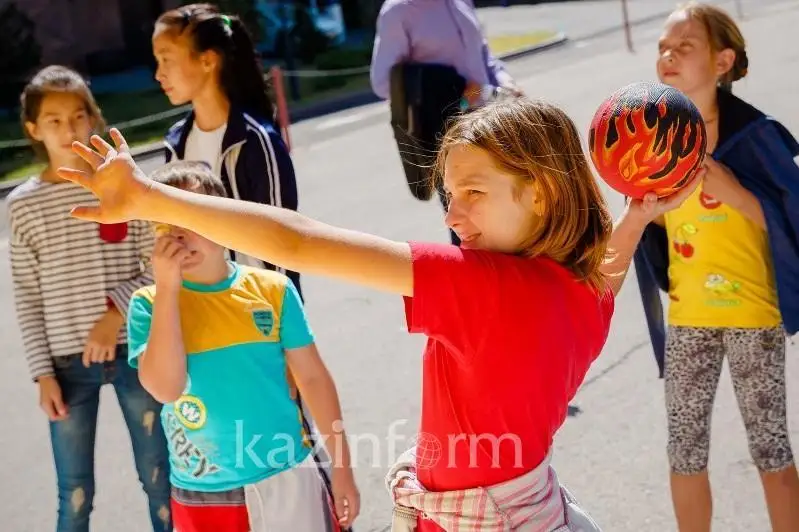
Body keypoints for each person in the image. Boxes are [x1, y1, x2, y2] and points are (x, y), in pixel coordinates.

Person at [58, 98, 697, 530]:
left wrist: (149, 196)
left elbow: (298, 242)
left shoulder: (483, 287)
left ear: (543, 191)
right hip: (531, 505)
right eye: (450, 194)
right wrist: (636, 215)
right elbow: (608, 270)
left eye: (474, 192)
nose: (452, 216)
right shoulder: (579, 292)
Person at [633, 3, 799, 531]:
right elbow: (652, 225)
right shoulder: (655, 140)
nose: (668, 56)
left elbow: (792, 215)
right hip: (689, 317)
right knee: (683, 453)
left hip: (754, 315)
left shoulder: (754, 134)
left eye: (684, 47)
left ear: (723, 61)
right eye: (663, 47)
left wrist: (735, 192)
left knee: (771, 451)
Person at [125, 161, 360, 532]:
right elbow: (166, 389)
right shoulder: (148, 304)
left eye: (191, 216)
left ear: (226, 221)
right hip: (204, 493)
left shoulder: (273, 290)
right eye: (166, 224)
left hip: (288, 474)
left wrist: (342, 468)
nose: (179, 235)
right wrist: (168, 289)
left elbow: (313, 379)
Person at [8, 65, 172, 531]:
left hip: (136, 352)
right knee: (74, 495)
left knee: (160, 479)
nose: (69, 129)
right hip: (66, 366)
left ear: (93, 118)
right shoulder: (22, 205)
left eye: (78, 116)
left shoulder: (122, 185)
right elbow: (27, 296)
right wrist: (42, 374)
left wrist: (115, 313)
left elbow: (157, 265)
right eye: (54, 121)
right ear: (34, 129)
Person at [152, 3, 301, 296]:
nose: (159, 74)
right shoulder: (176, 143)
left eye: (166, 59)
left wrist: (282, 315)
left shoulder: (256, 139)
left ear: (208, 60)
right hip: (202, 306)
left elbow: (283, 241)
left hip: (259, 307)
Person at [369, 0, 523, 245]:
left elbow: (483, 54)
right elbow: (384, 82)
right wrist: (452, 88)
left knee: (509, 212)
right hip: (449, 134)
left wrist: (507, 85)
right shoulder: (399, 11)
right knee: (469, 226)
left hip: (491, 122)